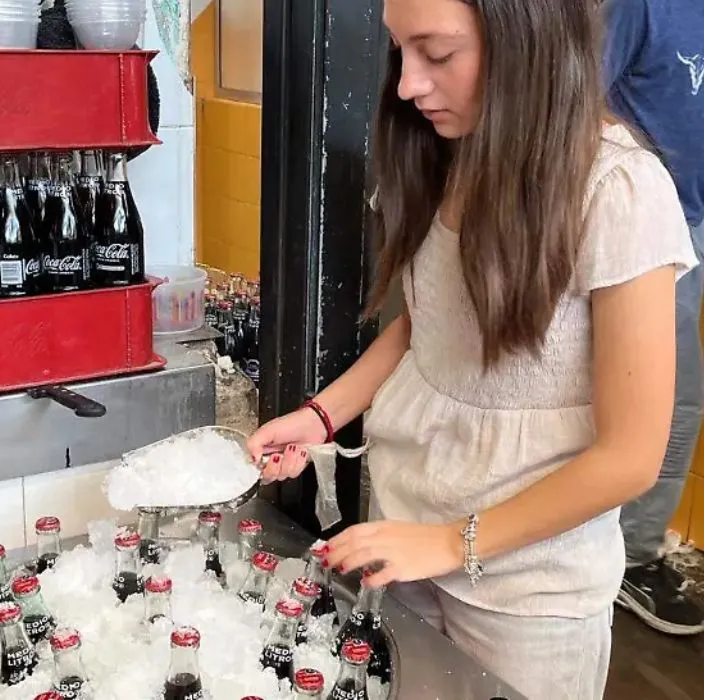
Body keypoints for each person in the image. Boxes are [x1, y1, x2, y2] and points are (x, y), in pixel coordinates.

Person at [247, 0, 697, 698]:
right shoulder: (447, 150)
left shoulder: (620, 192)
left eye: (438, 54)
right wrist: (320, 416)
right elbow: (424, 326)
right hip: (404, 536)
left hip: (527, 594)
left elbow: (631, 457)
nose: (407, 85)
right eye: (399, 51)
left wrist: (449, 542)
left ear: (530, 37)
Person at [603, 0, 704, 637]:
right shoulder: (643, 5)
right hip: (646, 225)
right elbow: (575, 100)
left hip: (693, 220)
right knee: (671, 405)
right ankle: (628, 559)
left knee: (673, 406)